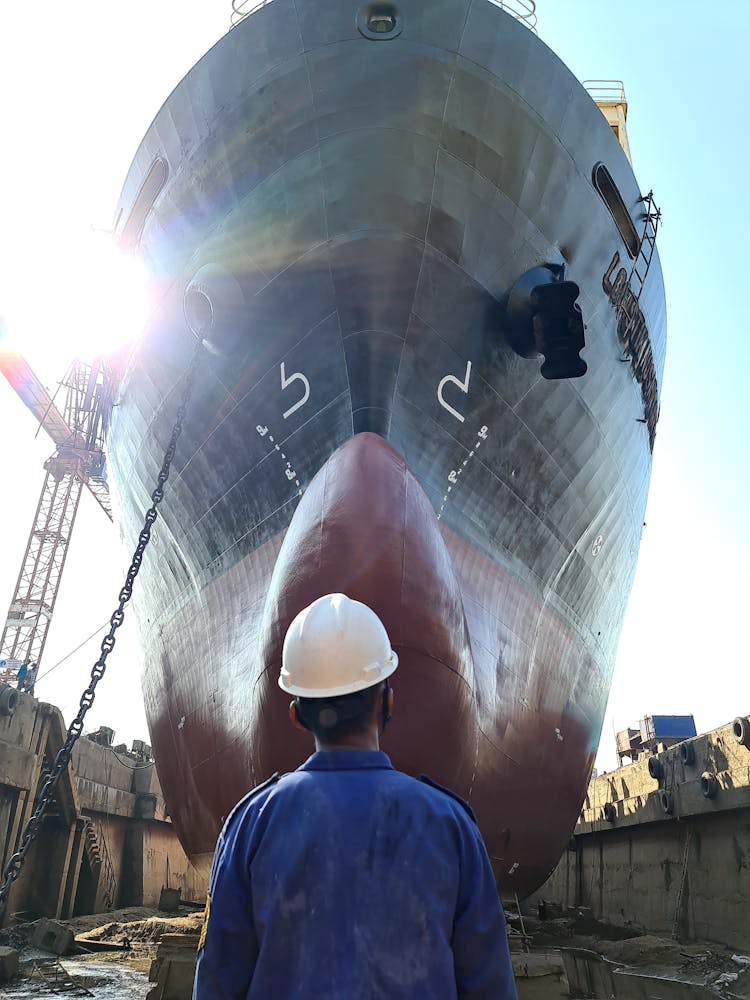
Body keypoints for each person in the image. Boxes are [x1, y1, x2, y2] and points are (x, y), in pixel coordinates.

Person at [193, 593, 516, 1000]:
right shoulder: (452, 825)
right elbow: (490, 986)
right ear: (388, 702)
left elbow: (217, 982)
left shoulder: (250, 824)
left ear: (296, 715)